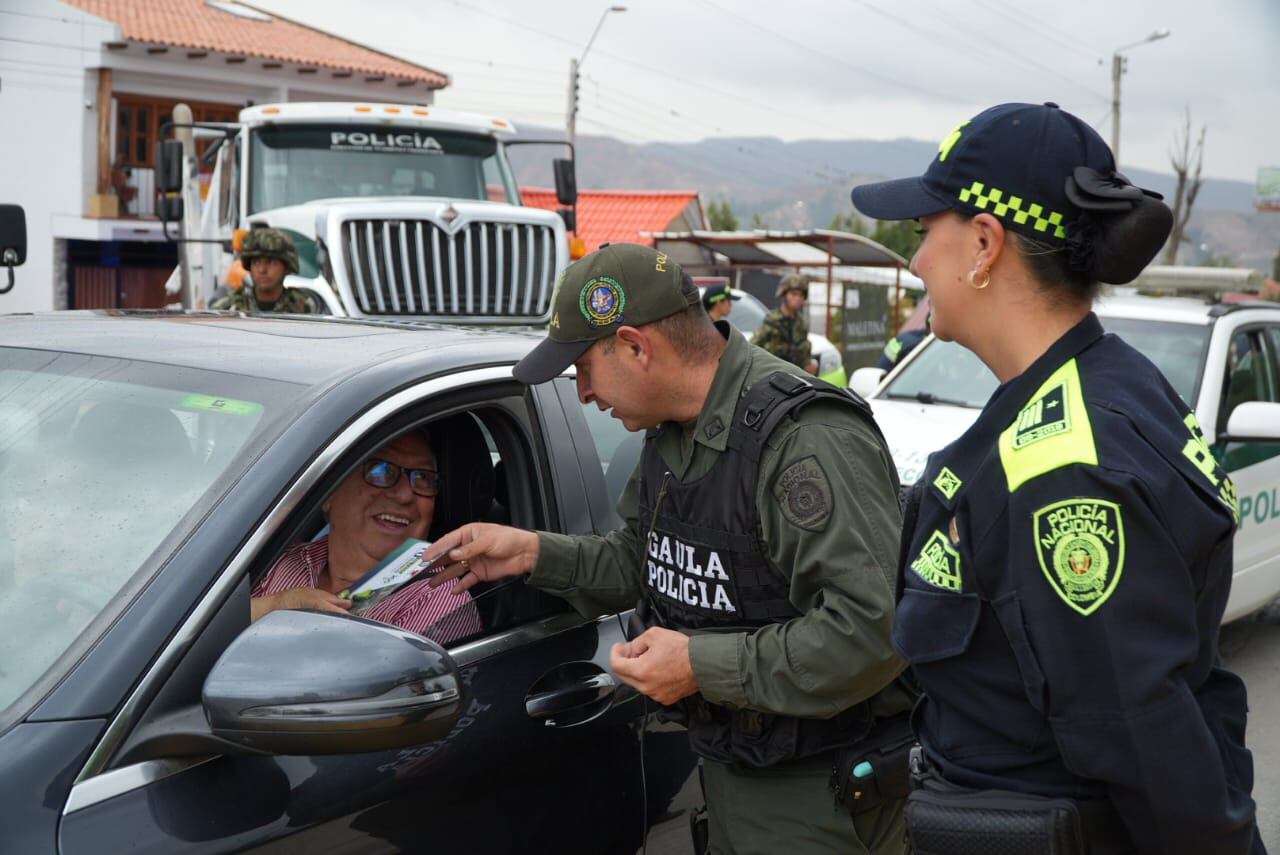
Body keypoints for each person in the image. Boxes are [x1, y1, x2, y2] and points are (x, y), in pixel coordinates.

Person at [850, 102, 1263, 854]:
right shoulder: (1107, 384)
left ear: (983, 243)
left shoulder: (1062, 464)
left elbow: (1146, 741)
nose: (914, 262)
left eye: (923, 233)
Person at [426, 243, 913, 854]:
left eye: (582, 369)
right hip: (737, 770)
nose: (581, 393)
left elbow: (873, 631)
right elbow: (644, 560)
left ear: (635, 346)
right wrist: (533, 553)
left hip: (822, 793)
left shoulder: (804, 439)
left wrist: (696, 664)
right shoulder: (673, 434)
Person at [251, 431, 478, 642]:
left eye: (423, 478)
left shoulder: (436, 598)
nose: (404, 495)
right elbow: (215, 618)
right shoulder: (280, 557)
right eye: (381, 471)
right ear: (329, 494)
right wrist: (275, 606)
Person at [212, 227, 315, 313]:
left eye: (271, 262)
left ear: (287, 267)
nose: (262, 270)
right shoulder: (228, 309)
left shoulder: (304, 307)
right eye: (256, 262)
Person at [751, 273, 816, 374]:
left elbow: (805, 354)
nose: (798, 298)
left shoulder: (801, 324)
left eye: (801, 295)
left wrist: (808, 363)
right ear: (784, 294)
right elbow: (753, 348)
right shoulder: (772, 321)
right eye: (793, 294)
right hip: (773, 377)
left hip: (796, 378)